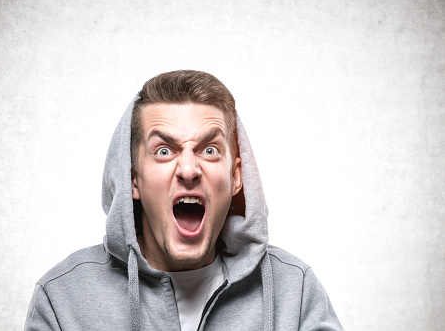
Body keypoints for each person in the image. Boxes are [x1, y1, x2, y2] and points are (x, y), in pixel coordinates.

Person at [24, 70, 344, 330]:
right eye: (164, 151)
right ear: (132, 177)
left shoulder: (295, 292)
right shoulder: (62, 299)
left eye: (209, 150)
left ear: (235, 178)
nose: (189, 169)